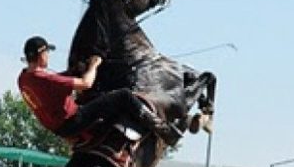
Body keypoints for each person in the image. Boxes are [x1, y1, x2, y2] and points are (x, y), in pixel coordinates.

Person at [17, 36, 177, 145]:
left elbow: (49, 86)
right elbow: (86, 83)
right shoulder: (45, 79)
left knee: (102, 98)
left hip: (57, 128)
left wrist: (71, 72)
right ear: (41, 55)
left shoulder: (23, 79)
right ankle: (163, 129)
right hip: (73, 120)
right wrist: (94, 65)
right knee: (123, 95)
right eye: (47, 53)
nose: (48, 56)